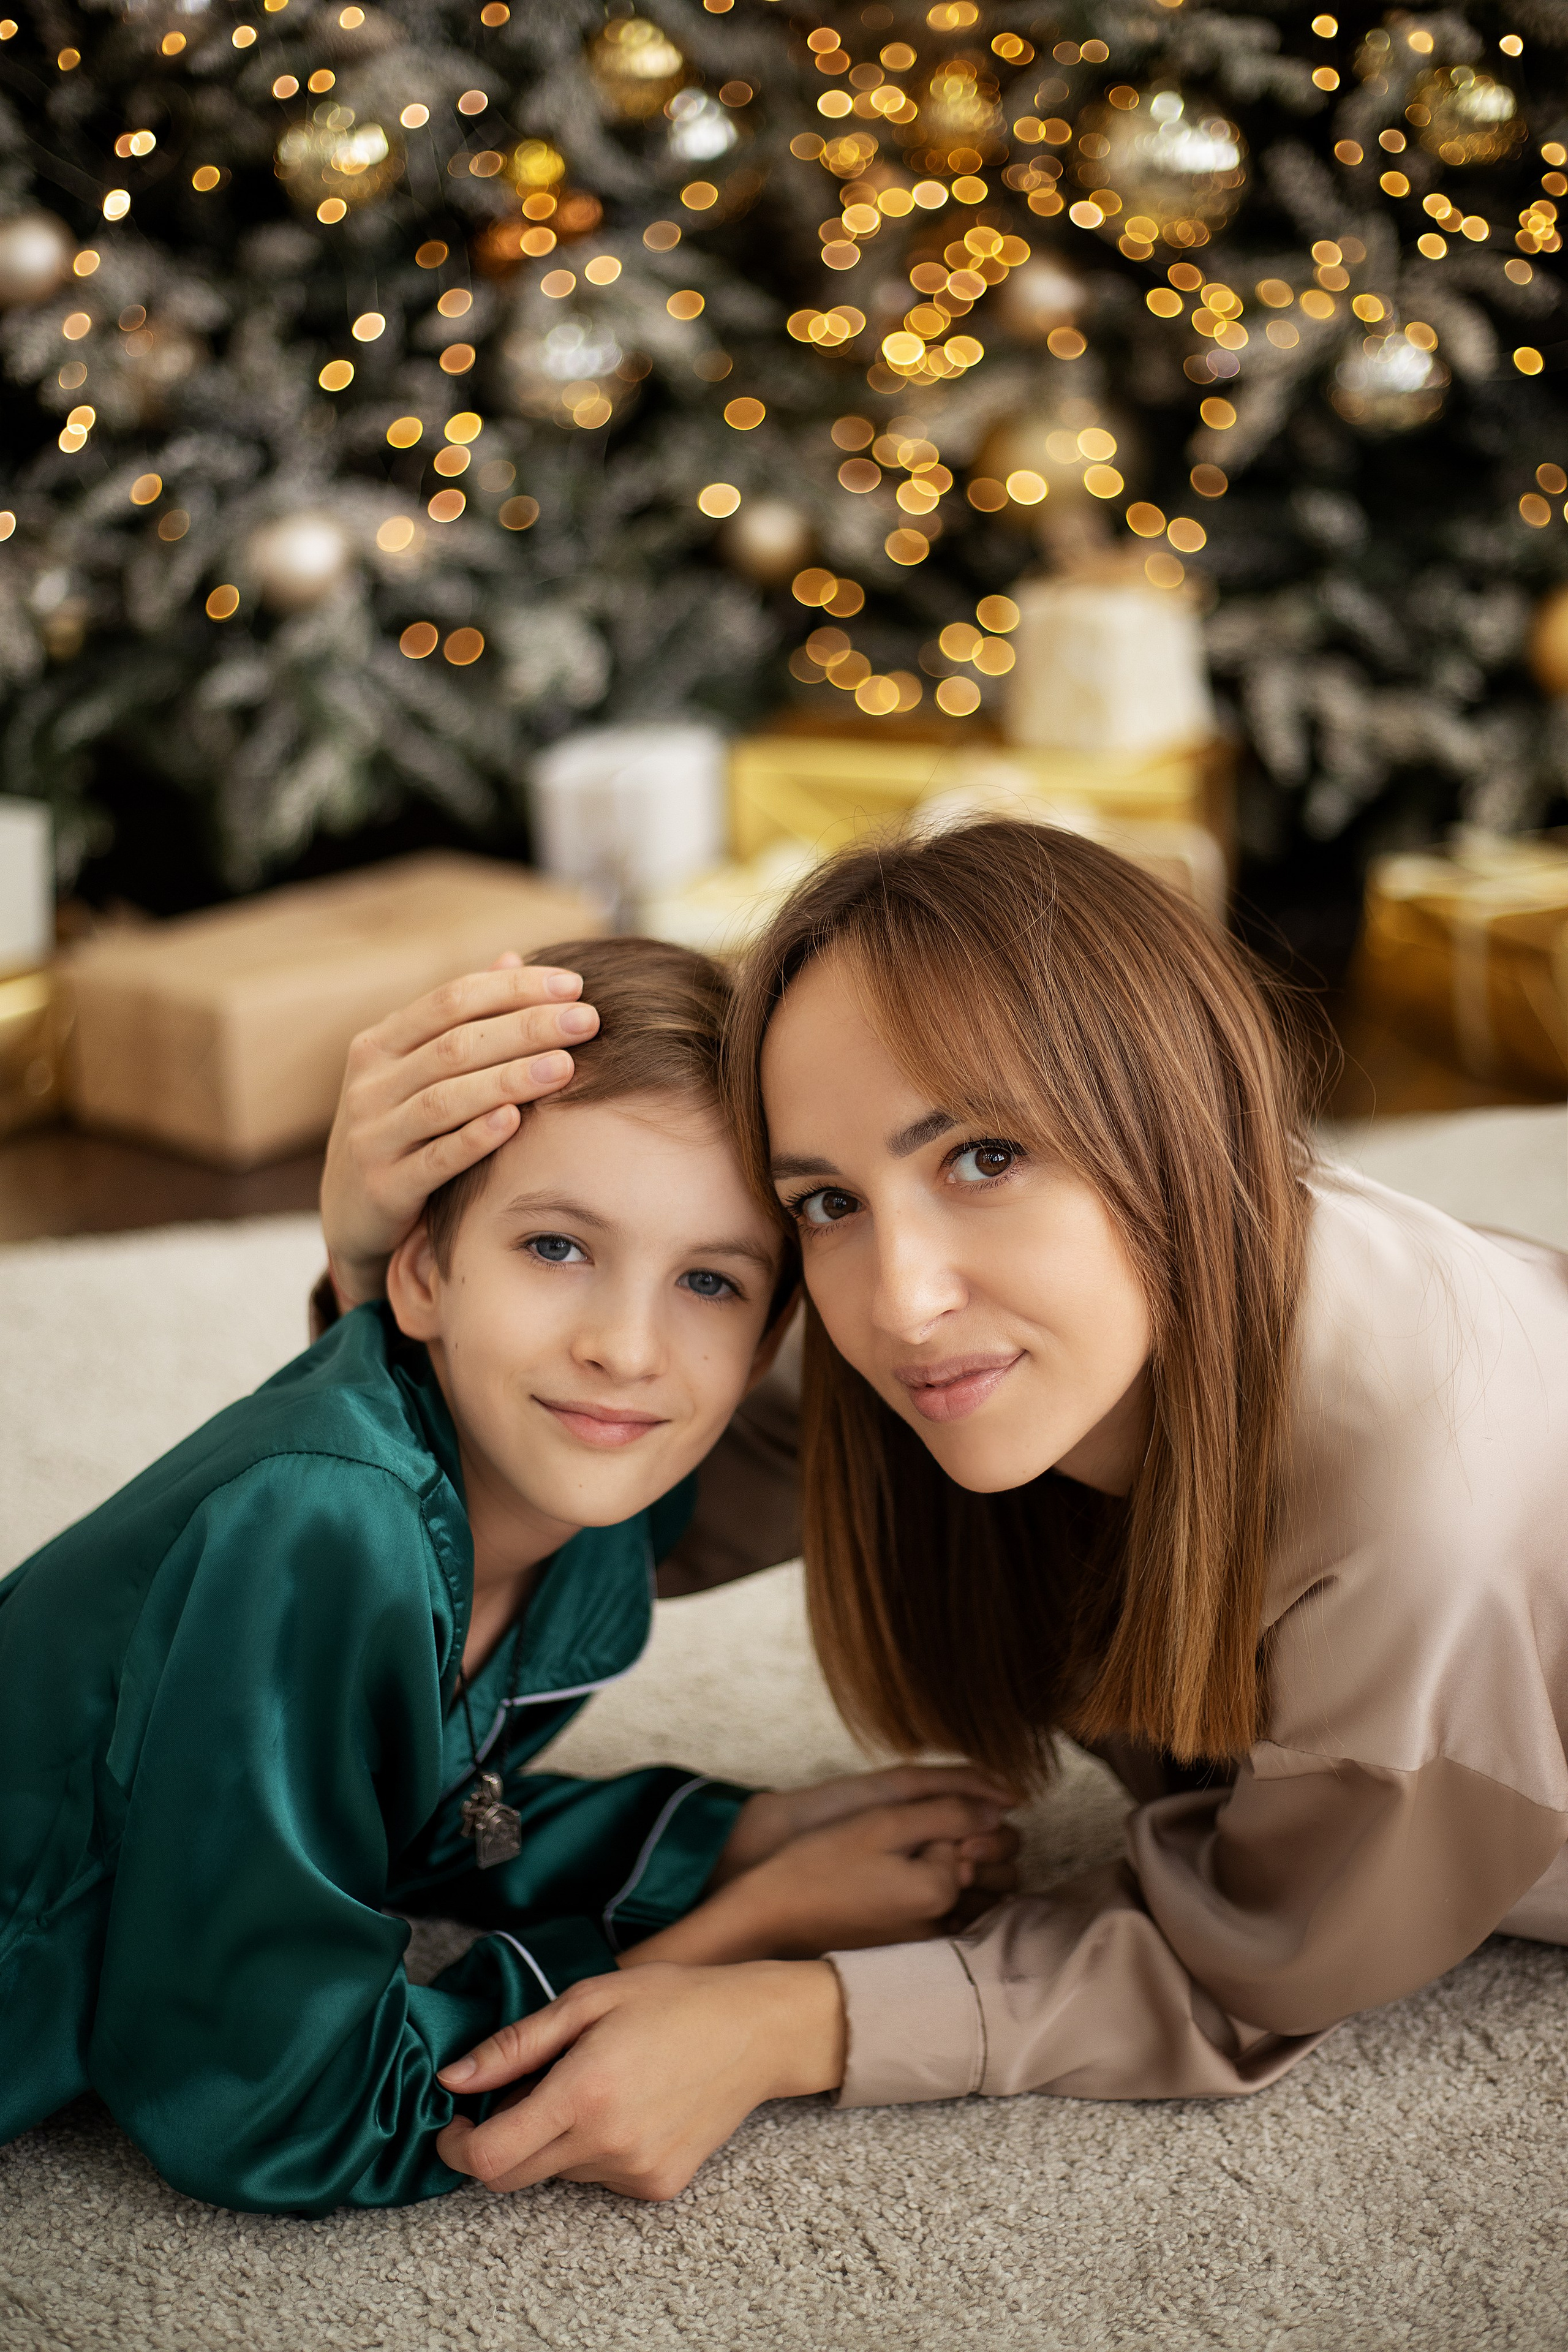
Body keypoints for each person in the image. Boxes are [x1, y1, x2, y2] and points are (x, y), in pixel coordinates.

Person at [391, 820, 1568, 2204]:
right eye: (827, 1199)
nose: (897, 1301)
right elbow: (589, 1486)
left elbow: (1262, 1952)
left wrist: (791, 2015)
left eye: (982, 1158)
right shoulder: (1021, 1315)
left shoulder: (1427, 1521)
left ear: (1165, 1119)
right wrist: (376, 1250)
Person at [0, 933, 1017, 2214]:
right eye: (555, 1247)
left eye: (708, 1280)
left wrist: (723, 1835)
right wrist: (731, 1936)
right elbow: (278, 2102)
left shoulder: (578, 1509)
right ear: (419, 1269)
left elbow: (384, 1825)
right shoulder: (324, 1527)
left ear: (768, 1343)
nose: (623, 1349)